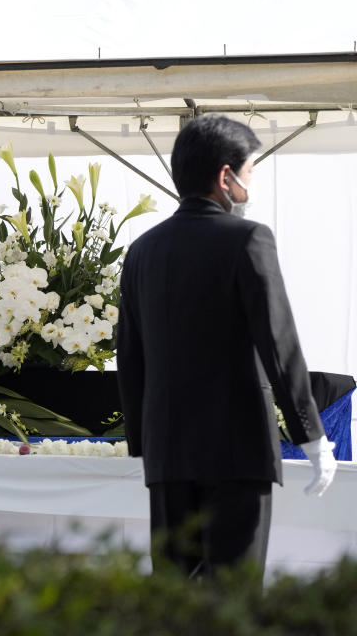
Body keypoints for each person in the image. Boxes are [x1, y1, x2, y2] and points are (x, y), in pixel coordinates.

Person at [116, 114, 336, 579]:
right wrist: (311, 436)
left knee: (173, 601)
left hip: (168, 455)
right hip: (236, 452)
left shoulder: (143, 251)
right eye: (251, 172)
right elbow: (279, 344)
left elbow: (130, 355)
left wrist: (143, 441)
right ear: (226, 176)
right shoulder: (248, 239)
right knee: (232, 600)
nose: (249, 186)